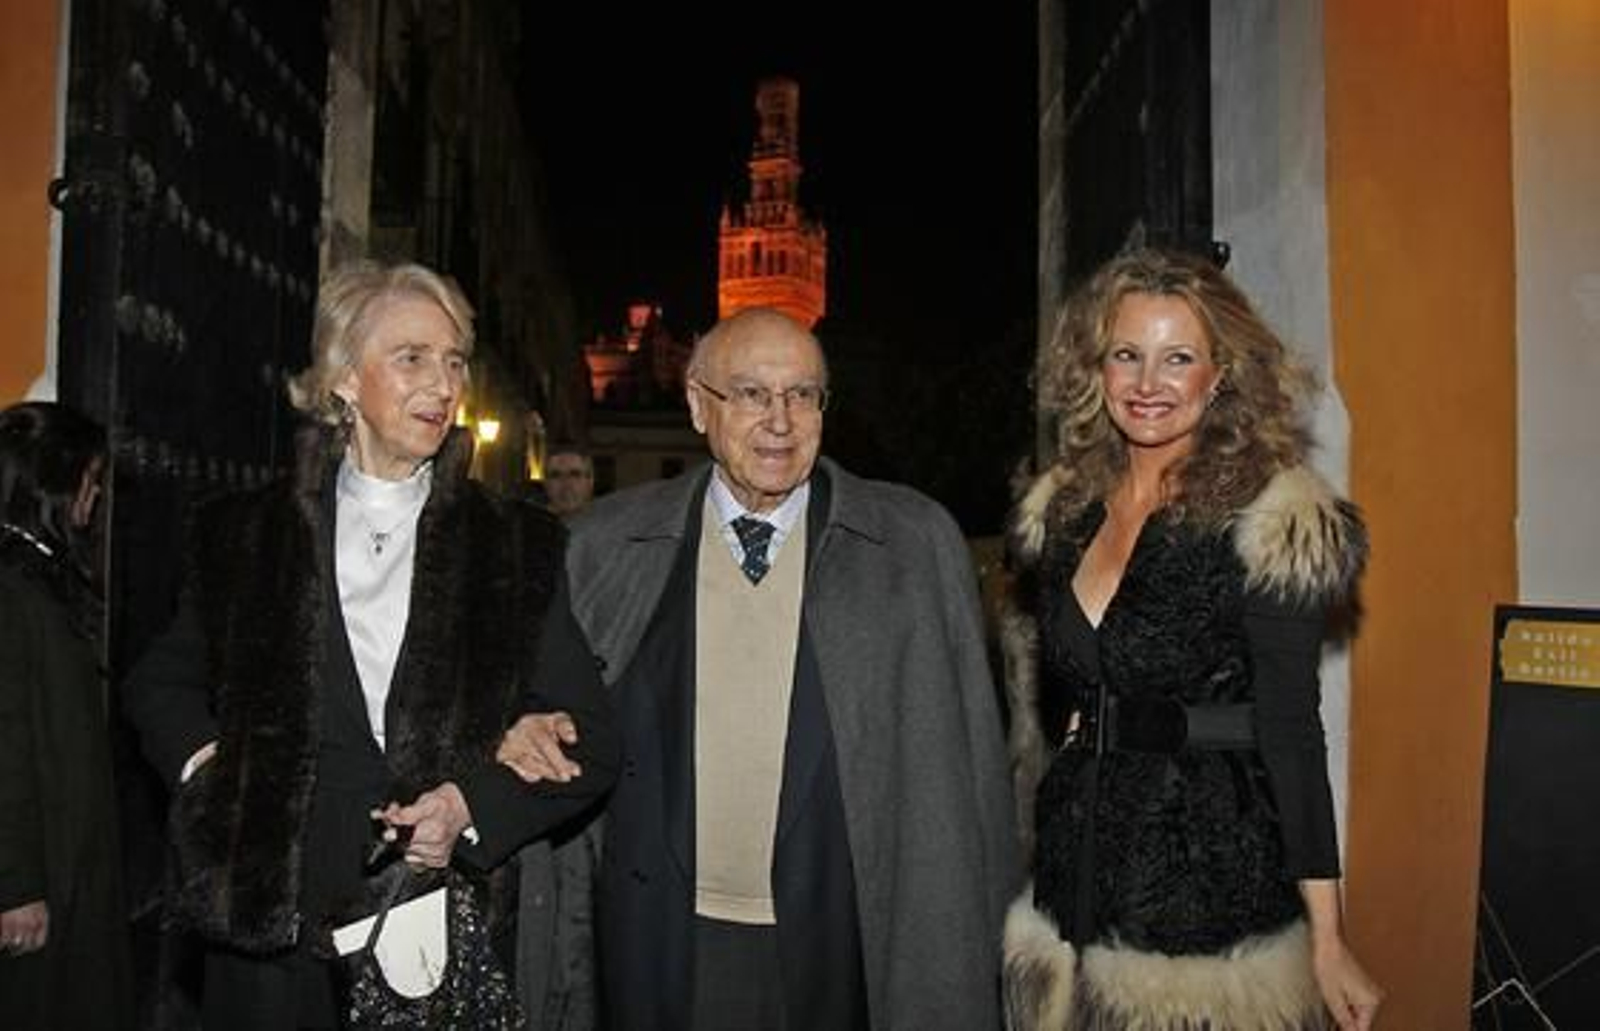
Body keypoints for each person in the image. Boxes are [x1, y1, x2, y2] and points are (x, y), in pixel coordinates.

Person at [122, 260, 619, 1029]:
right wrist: (219, 775)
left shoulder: (511, 545)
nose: (443, 382)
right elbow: (160, 681)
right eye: (412, 356)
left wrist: (468, 806)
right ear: (345, 378)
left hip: (428, 927)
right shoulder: (248, 533)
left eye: (454, 361)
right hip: (267, 928)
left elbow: (597, 738)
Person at [499, 306, 1018, 1031]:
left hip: (845, 948)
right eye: (749, 393)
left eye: (802, 394)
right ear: (696, 404)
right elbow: (542, 722)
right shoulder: (604, 548)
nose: (780, 419)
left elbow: (970, 779)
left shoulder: (910, 546)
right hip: (658, 946)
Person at [1000, 248, 1383, 1031]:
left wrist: (1329, 938)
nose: (1148, 384)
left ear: (1220, 376)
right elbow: (1076, 696)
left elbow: (1291, 732)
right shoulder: (1065, 512)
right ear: (1095, 369)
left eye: (1179, 358)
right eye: (1127, 355)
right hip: (1074, 876)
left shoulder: (1269, 515)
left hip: (1208, 891)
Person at [0, 402, 132, 1030]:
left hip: (67, 854)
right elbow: (5, 738)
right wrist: (16, 886)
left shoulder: (40, 577)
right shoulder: (10, 586)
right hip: (41, 871)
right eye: (91, 476)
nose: (96, 493)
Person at [543, 443, 595, 519]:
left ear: (590, 481)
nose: (566, 484)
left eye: (575, 475)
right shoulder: (528, 524)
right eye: (556, 475)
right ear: (546, 483)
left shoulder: (609, 521)